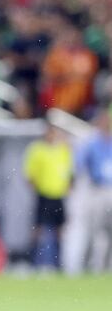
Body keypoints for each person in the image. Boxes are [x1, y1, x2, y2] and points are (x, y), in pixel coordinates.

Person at [23, 122, 73, 271]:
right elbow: (30, 173)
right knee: (38, 229)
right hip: (43, 194)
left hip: (58, 195)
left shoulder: (63, 150)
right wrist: (35, 187)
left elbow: (69, 171)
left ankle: (58, 263)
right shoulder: (37, 150)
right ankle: (33, 262)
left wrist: (69, 186)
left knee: (59, 230)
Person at [76, 109, 112, 271]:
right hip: (97, 189)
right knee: (95, 230)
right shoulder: (91, 142)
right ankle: (88, 265)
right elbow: (80, 164)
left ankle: (106, 266)